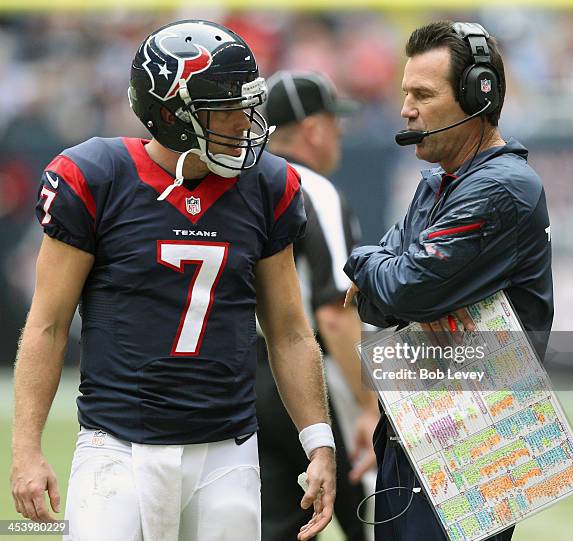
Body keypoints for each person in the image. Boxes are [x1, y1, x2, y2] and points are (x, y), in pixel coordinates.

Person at [10, 20, 336, 541]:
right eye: (224, 108)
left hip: (226, 452)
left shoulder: (269, 185)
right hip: (115, 445)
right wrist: (26, 451)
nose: (244, 121)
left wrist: (319, 441)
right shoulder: (95, 177)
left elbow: (290, 331)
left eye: (246, 102)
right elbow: (47, 325)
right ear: (172, 115)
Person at [344, 21, 553, 541]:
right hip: (416, 426)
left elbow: (403, 287)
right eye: (404, 92)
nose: (405, 109)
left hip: (470, 442)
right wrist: (383, 275)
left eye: (422, 94)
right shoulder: (441, 181)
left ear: (475, 96)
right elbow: (380, 301)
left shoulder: (502, 189)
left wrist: (363, 261)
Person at [255, 71, 378, 541]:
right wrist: (369, 405)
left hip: (252, 375)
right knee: (374, 516)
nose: (340, 131)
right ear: (312, 128)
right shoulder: (311, 188)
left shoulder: (246, 187)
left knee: (280, 524)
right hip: (314, 376)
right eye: (333, 120)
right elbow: (334, 311)